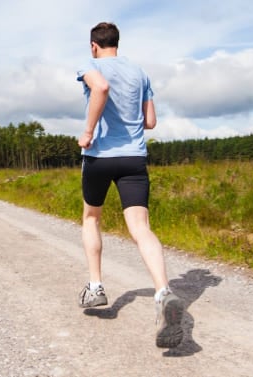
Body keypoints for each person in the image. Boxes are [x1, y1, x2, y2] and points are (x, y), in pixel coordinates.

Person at [75, 21, 184, 348]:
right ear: (116, 43)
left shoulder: (90, 65)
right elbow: (150, 121)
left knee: (92, 217)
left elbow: (101, 88)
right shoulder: (140, 73)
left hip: (99, 157)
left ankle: (95, 287)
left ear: (94, 45)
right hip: (134, 158)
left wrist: (89, 132)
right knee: (140, 227)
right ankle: (164, 291)